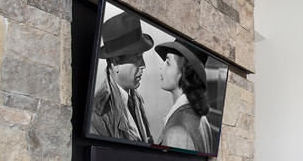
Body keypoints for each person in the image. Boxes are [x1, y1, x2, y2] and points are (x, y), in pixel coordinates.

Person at [89, 12, 154, 143]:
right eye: (137, 57)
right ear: (115, 62)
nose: (143, 65)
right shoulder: (98, 112)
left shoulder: (134, 99)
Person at [155, 40, 214, 153]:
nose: (161, 66)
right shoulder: (202, 118)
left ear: (183, 72)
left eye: (167, 62)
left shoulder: (178, 130)